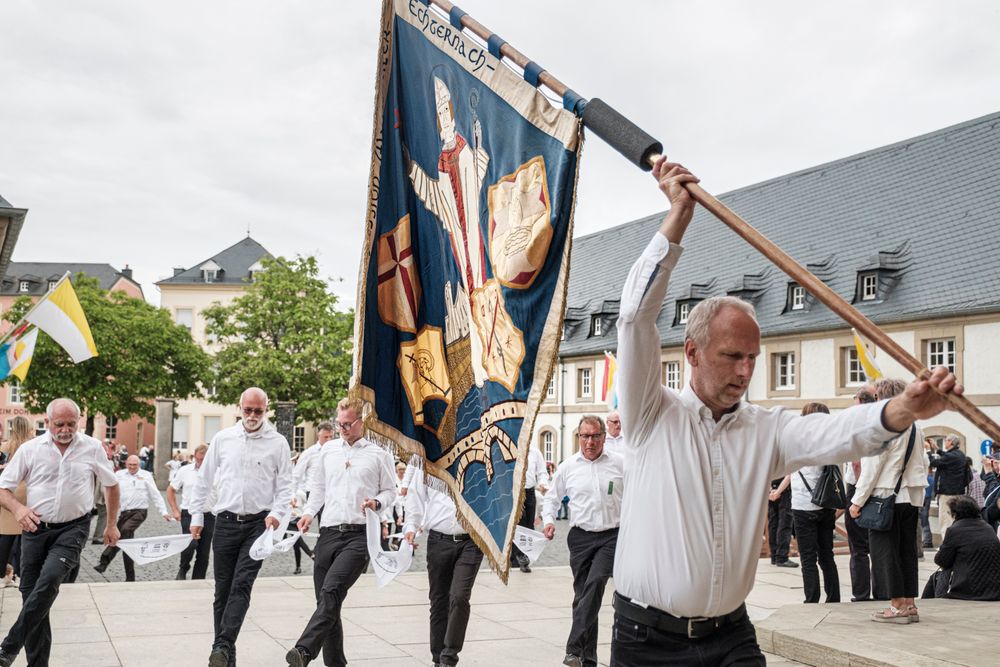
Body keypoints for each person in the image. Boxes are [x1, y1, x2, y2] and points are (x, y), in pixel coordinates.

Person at [610, 159, 963, 664]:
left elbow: (836, 433)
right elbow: (634, 316)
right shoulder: (650, 414)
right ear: (691, 352)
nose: (745, 370)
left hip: (731, 635)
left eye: (753, 358)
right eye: (732, 356)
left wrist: (902, 407)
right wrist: (678, 218)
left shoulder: (766, 429)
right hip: (648, 642)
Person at [0, 398, 120, 667]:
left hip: (73, 528)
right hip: (33, 529)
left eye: (71, 424)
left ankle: (8, 647)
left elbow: (111, 485)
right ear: (47, 422)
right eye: (59, 424)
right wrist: (19, 510)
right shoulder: (31, 450)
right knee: (32, 598)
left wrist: (111, 524)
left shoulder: (91, 448)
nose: (65, 429)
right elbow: (2, 489)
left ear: (78, 421)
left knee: (50, 579)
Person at [285, 397, 396, 667]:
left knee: (332, 591)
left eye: (348, 424)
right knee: (326, 603)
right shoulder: (328, 451)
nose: (343, 429)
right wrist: (309, 513)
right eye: (340, 424)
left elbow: (391, 491)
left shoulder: (379, 454)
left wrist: (376, 503)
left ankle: (303, 651)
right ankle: (336, 663)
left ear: (363, 422)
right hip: (328, 533)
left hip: (359, 536)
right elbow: (319, 488)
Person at [188, 387, 293, 667]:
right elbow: (204, 479)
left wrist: (278, 514)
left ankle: (221, 645)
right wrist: (197, 517)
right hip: (224, 523)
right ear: (239, 407)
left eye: (258, 411)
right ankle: (224, 658)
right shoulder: (223, 439)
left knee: (242, 585)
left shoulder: (278, 443)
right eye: (248, 410)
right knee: (222, 591)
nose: (252, 416)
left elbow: (285, 487)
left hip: (258, 526)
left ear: (266, 409)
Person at [542, 415, 624, 667]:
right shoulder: (569, 467)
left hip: (611, 536)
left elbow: (638, 495)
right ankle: (587, 660)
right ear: (579, 437)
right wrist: (548, 520)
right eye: (585, 436)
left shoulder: (620, 463)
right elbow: (552, 499)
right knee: (584, 598)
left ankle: (573, 647)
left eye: (595, 436)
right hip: (580, 538)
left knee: (596, 583)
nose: (590, 442)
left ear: (603, 437)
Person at [849, 377, 929, 623]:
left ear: (879, 398)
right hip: (910, 495)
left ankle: (896, 607)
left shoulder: (885, 426)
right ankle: (910, 604)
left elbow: (872, 467)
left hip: (886, 496)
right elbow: (924, 462)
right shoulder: (915, 425)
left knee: (885, 552)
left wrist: (857, 501)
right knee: (907, 551)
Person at [403, 464, 483, 667]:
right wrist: (411, 526)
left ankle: (449, 658)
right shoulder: (429, 461)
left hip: (471, 541)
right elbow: (415, 496)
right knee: (438, 601)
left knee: (459, 596)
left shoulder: (477, 461)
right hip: (438, 540)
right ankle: (438, 657)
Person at [790, 403, 841, 604]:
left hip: (803, 504)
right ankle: (834, 596)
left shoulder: (800, 442)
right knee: (826, 555)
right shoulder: (831, 442)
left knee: (808, 557)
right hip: (826, 503)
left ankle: (812, 598)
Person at [94, 454, 172, 581]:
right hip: (124, 513)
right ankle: (130, 577)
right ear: (126, 464)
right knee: (124, 541)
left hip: (139, 512)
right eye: (130, 465)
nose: (132, 467)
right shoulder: (119, 474)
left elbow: (155, 494)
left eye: (135, 465)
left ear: (139, 465)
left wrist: (163, 512)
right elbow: (110, 490)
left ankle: (104, 561)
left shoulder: (146, 475)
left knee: (124, 531)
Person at [920, 495, 1000, 601]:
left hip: (969, 590)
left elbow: (942, 561)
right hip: (994, 590)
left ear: (956, 513)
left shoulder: (955, 530)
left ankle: (927, 605)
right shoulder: (988, 528)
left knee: (936, 577)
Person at [844, 386, 877, 599]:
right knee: (878, 545)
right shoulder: (881, 424)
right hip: (879, 488)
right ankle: (883, 590)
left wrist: (857, 496)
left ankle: (861, 592)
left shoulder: (859, 425)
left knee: (858, 548)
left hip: (859, 487)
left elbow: (857, 463)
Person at [167, 443, 214, 580]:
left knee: (203, 552)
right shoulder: (185, 471)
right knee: (190, 543)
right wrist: (175, 510)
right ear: (194, 456)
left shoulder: (216, 472)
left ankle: (198, 579)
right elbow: (171, 490)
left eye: (204, 460)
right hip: (189, 512)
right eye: (199, 459)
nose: (201, 462)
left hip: (209, 515)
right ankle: (183, 567)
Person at [0, 417, 33, 588]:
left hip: (8, 492)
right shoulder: (32, 446)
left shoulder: (5, 447)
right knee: (24, 539)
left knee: (4, 537)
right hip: (27, 492)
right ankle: (21, 575)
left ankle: (2, 576)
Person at [511, 445, 548, 573]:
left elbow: (542, 472)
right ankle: (518, 558)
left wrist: (543, 483)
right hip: (514, 492)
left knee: (529, 526)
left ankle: (524, 556)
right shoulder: (509, 449)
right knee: (519, 523)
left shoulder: (535, 452)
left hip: (530, 491)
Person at [928, 434, 968, 537]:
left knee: (945, 521)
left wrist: (929, 451)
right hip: (957, 492)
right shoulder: (959, 455)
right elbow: (946, 456)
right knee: (954, 520)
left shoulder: (951, 456)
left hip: (947, 494)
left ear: (951, 442)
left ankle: (947, 546)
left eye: (946, 440)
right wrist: (937, 449)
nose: (944, 442)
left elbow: (933, 462)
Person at [766, 475, 797, 568]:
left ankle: (774, 556)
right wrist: (778, 491)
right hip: (784, 491)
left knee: (773, 524)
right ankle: (782, 558)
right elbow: (789, 476)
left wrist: (770, 492)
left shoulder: (770, 460)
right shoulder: (785, 459)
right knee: (785, 524)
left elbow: (765, 475)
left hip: (772, 491)